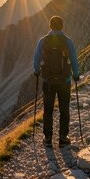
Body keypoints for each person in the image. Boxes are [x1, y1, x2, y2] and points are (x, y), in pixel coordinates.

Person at [33, 15, 80, 147]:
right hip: (64, 81)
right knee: (64, 109)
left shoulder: (43, 41)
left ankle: (48, 138)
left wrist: (37, 72)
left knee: (48, 110)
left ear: (50, 26)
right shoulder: (68, 41)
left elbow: (36, 59)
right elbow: (74, 60)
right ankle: (63, 138)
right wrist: (76, 75)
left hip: (48, 81)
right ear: (62, 26)